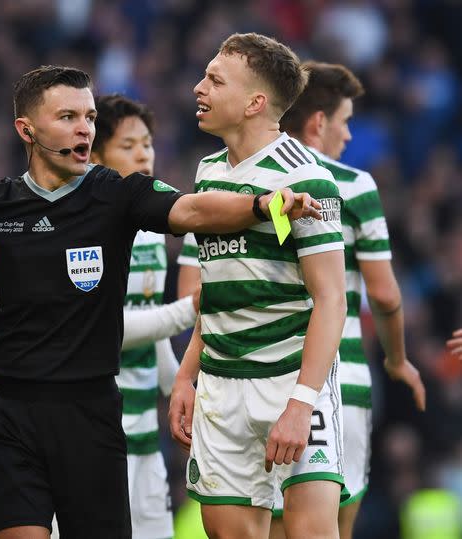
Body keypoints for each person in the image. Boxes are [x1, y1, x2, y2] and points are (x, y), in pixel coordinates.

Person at [0, 65, 322, 539]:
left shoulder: (116, 194)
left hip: (90, 415)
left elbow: (191, 209)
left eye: (88, 116)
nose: (84, 127)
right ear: (27, 129)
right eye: (67, 116)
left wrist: (261, 204)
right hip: (12, 415)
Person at [168, 33, 348, 539]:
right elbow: (215, 292)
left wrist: (300, 404)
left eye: (214, 80)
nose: (198, 87)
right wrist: (188, 374)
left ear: (255, 103)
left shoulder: (307, 178)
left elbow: (332, 300)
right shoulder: (207, 175)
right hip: (221, 387)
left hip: (290, 379)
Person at [269, 61, 426, 539]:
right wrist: (398, 360)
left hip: (262, 373)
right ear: (319, 121)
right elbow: (383, 293)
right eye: (345, 121)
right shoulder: (353, 184)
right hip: (337, 378)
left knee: (268, 523)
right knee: (333, 524)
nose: (349, 135)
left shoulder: (243, 177)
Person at [89, 94, 197, 539]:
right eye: (129, 145)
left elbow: (148, 324)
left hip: (145, 435)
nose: (143, 154)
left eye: (148, 144)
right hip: (96, 435)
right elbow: (100, 333)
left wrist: (178, 387)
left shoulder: (151, 237)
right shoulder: (88, 231)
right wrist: (190, 309)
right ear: (96, 158)